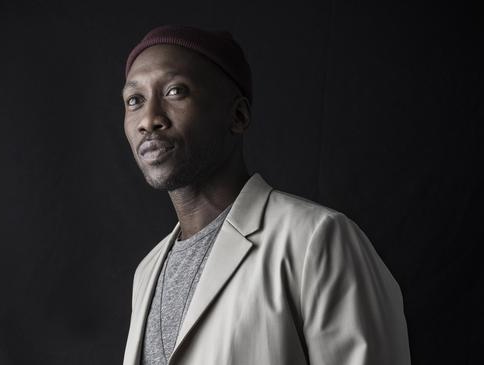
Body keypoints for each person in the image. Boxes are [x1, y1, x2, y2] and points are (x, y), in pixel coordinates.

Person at [120, 25, 411, 365]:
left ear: (238, 115)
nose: (149, 119)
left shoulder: (316, 240)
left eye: (175, 91)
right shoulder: (147, 271)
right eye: (134, 100)